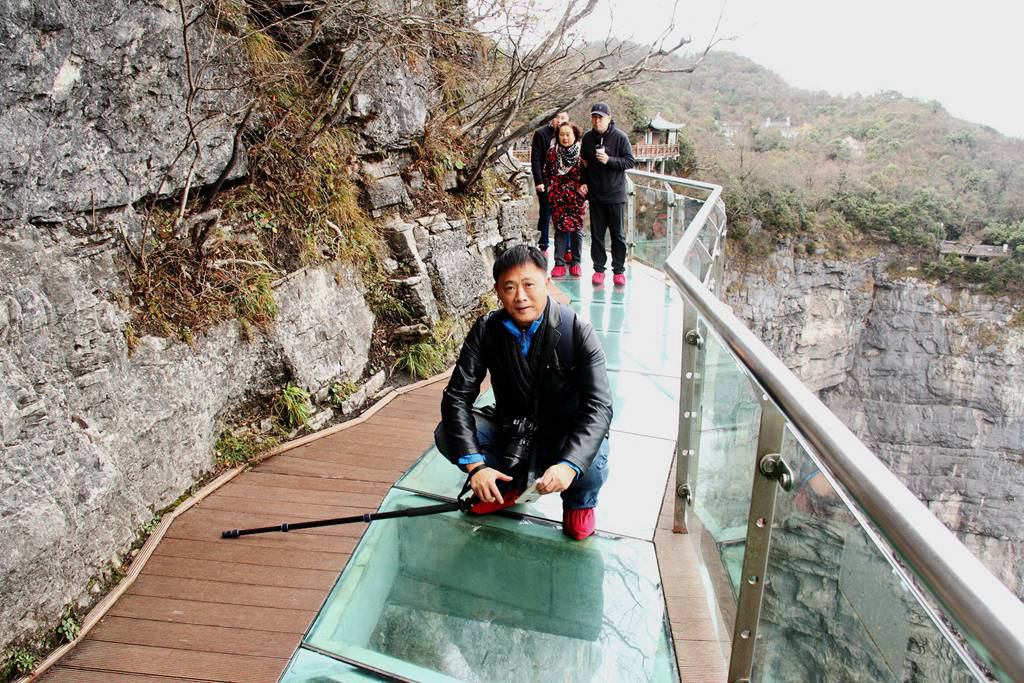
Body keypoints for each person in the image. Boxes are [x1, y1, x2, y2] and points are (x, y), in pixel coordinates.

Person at [434, 245, 612, 540]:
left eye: (529, 284)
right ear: (498, 291)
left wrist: (569, 465)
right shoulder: (486, 330)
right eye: (510, 287)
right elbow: (456, 397)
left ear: (546, 282)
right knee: (446, 434)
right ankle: (507, 485)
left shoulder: (577, 330)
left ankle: (580, 502)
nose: (520, 296)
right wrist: (476, 466)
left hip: (566, 434)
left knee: (589, 462)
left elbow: (599, 406)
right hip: (514, 430)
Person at [580, 102, 635, 287]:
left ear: (609, 119)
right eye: (594, 117)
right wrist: (583, 183)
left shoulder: (620, 138)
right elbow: (584, 164)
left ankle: (619, 271)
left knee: (617, 235)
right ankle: (598, 269)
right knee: (597, 235)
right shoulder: (587, 139)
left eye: (600, 117)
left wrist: (608, 160)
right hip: (596, 195)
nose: (597, 121)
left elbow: (629, 162)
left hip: (616, 195)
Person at [542, 121, 587, 278]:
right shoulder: (552, 153)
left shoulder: (583, 154)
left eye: (568, 134)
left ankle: (576, 262)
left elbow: (589, 173)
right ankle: (559, 263)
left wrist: (585, 188)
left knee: (576, 230)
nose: (565, 138)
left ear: (575, 135)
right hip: (558, 196)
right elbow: (546, 172)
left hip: (577, 197)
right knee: (560, 229)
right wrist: (549, 188)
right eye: (562, 134)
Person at [530, 111, 569, 254]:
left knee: (566, 215)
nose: (559, 120)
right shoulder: (541, 134)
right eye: (557, 117)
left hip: (564, 183)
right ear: (551, 118)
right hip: (546, 181)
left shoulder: (569, 134)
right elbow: (536, 160)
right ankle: (543, 245)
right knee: (545, 213)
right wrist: (539, 181)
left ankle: (567, 248)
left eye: (563, 118)